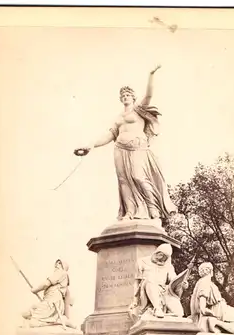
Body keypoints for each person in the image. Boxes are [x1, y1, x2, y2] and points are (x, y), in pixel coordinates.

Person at [74, 65, 177, 222]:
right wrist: (91, 145)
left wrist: (151, 74)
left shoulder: (139, 109)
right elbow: (110, 135)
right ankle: (129, 212)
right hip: (120, 150)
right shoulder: (118, 117)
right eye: (122, 95)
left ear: (133, 97)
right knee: (123, 180)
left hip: (137, 148)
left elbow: (149, 95)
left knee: (138, 177)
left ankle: (153, 211)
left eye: (128, 94)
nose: (125, 96)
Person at [129, 243, 189, 321]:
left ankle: (165, 316)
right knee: (149, 279)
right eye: (161, 255)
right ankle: (157, 308)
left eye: (165, 258)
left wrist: (183, 284)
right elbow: (137, 282)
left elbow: (174, 280)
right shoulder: (142, 262)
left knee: (179, 313)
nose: (162, 259)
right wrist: (135, 300)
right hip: (147, 289)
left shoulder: (168, 266)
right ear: (156, 252)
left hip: (164, 291)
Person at [189, 262, 234, 335]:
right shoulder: (205, 282)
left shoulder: (202, 282)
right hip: (218, 309)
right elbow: (202, 299)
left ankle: (217, 323)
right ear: (210, 271)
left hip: (219, 307)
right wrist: (204, 310)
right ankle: (216, 322)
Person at [22, 259, 76, 329]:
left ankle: (60, 321)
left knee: (33, 319)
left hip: (52, 302)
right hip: (50, 301)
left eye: (59, 263)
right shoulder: (62, 277)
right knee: (33, 309)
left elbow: (46, 284)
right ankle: (60, 321)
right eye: (56, 263)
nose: (56, 265)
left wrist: (35, 290)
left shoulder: (61, 272)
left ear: (63, 266)